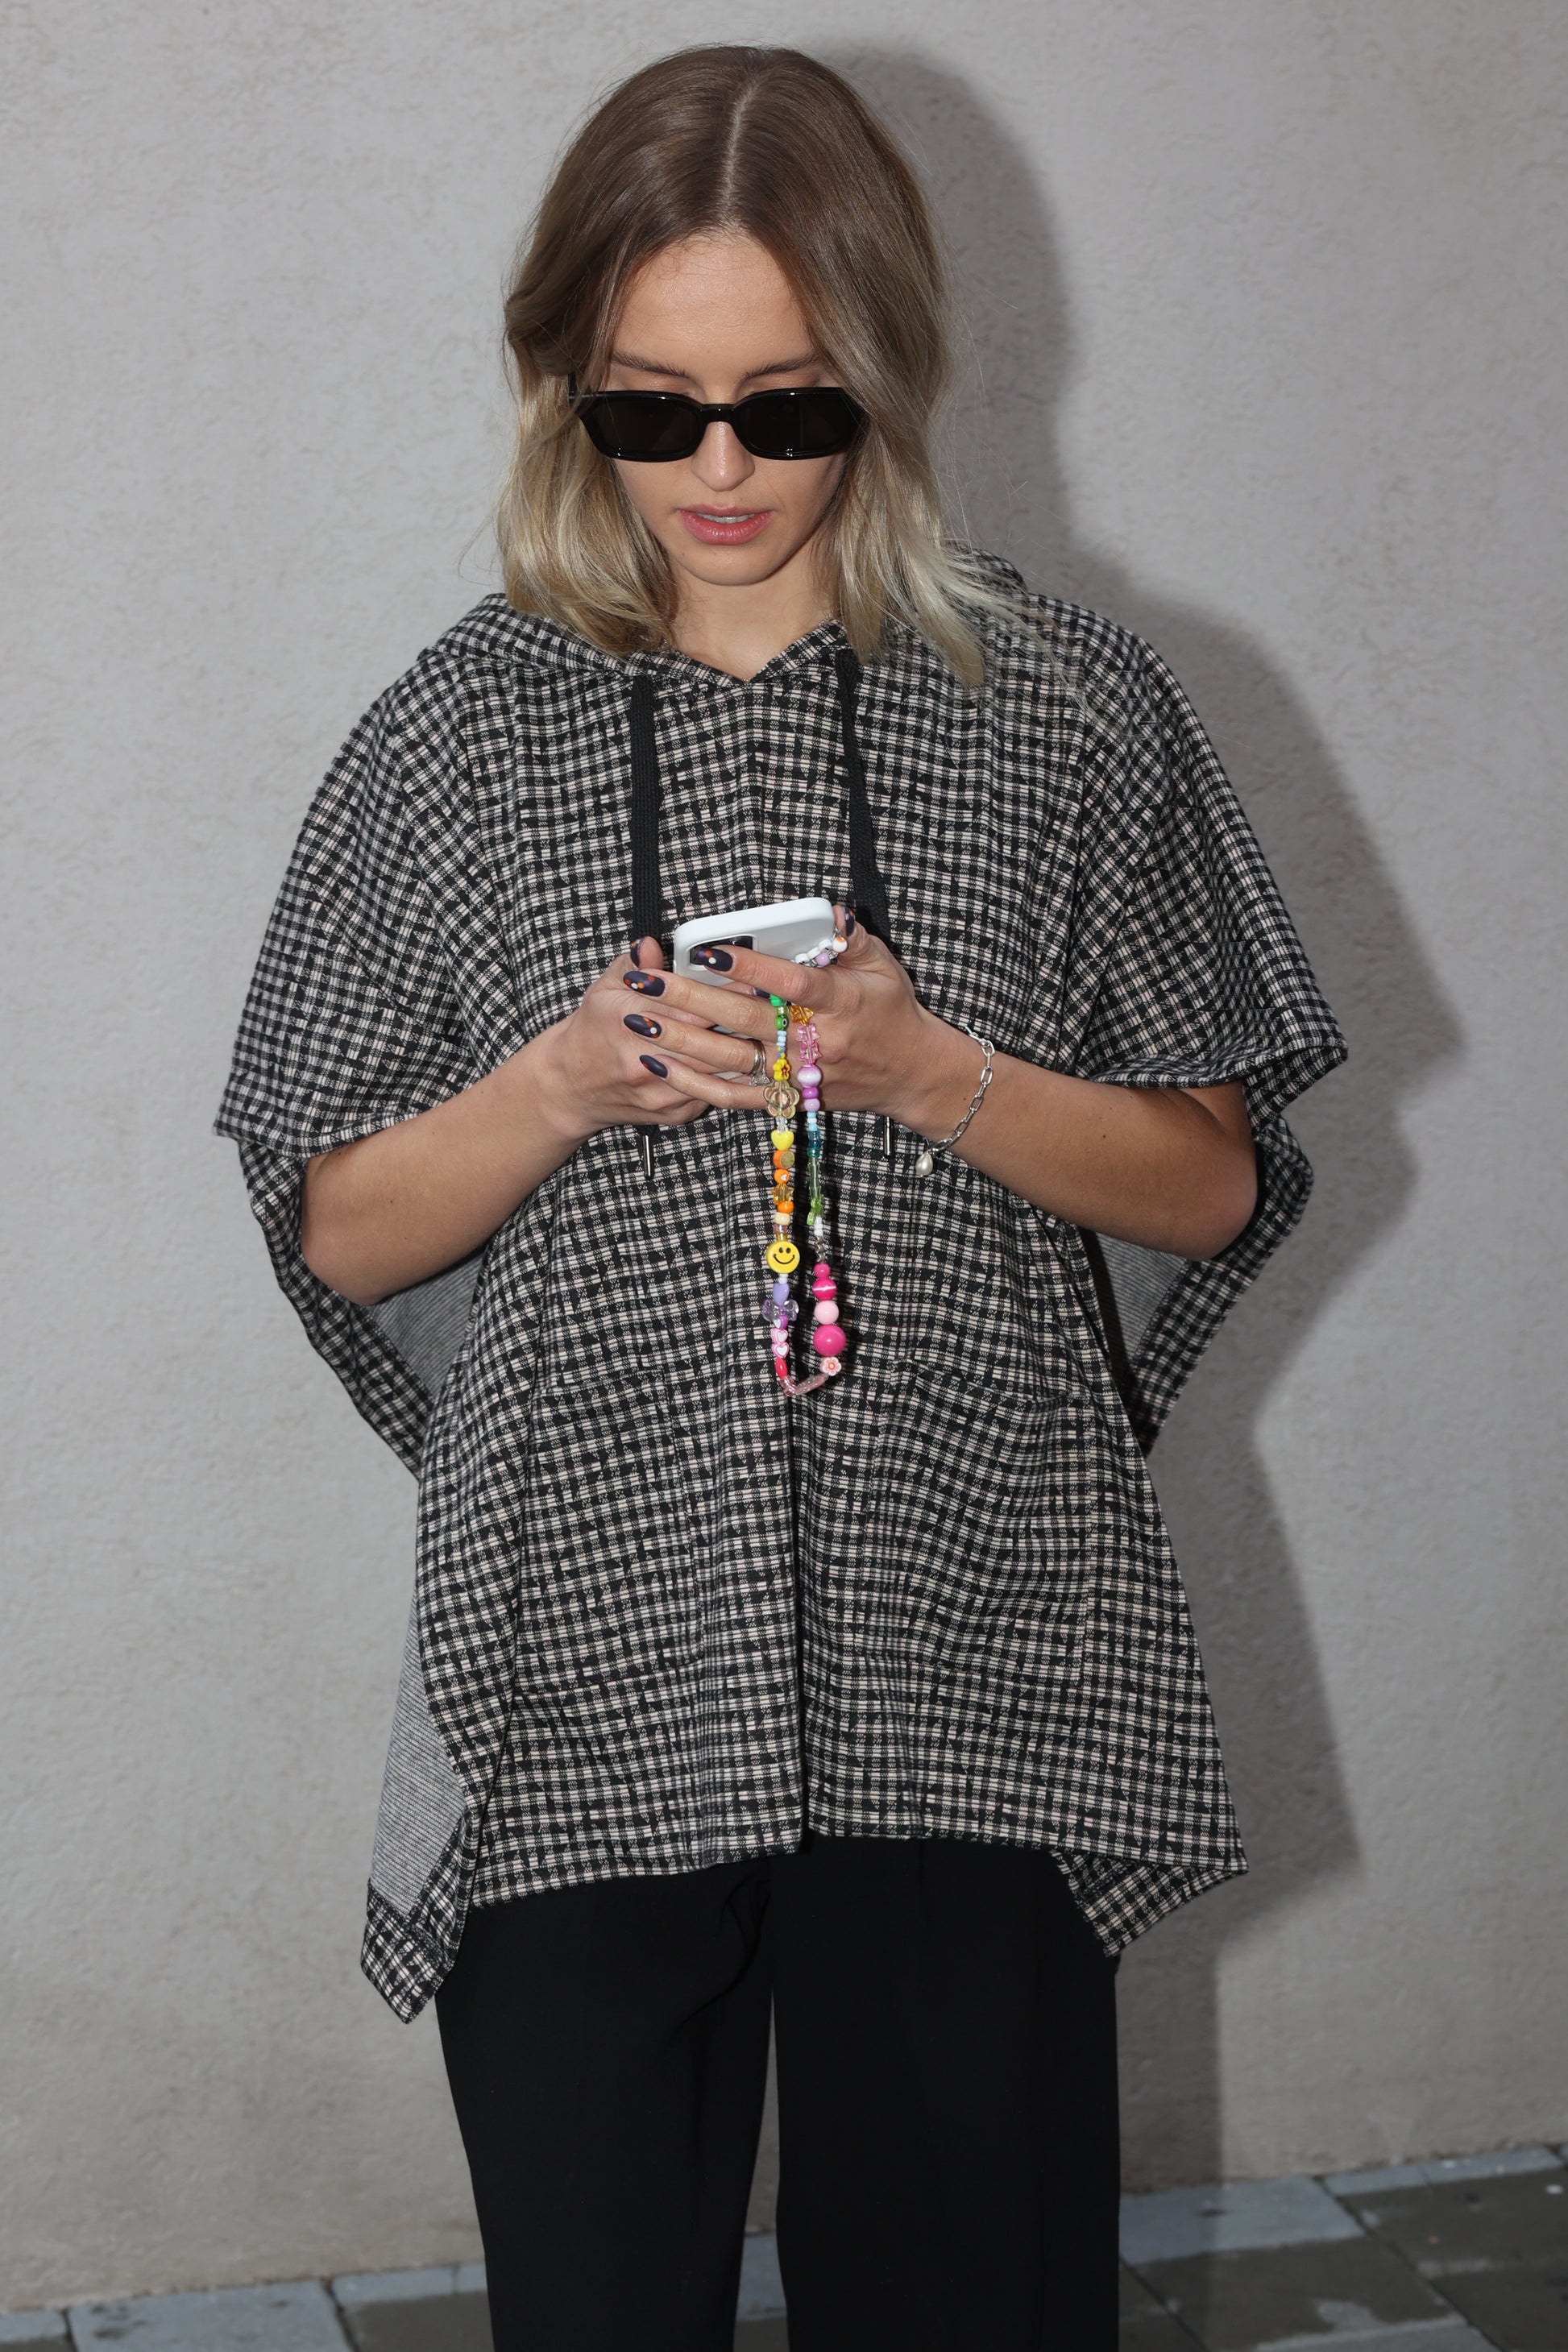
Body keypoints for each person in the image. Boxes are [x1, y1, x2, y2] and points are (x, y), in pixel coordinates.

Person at [217, 44, 1345, 2352]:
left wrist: (938, 1074)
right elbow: (337, 1223)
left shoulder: (1068, 709)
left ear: (888, 377)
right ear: (564, 386)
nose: (718, 470)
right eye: (653, 410)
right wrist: (554, 1085)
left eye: (787, 405)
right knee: (599, 2303)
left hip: (976, 1620)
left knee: (967, 2301)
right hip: (578, 1644)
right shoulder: (453, 737)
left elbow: (1210, 1179)